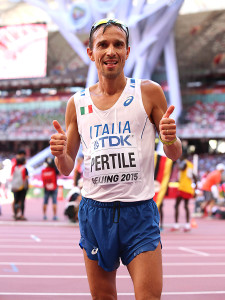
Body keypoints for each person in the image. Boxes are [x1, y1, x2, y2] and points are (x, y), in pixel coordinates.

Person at [50, 18, 182, 300]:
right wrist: (60, 154)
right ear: (91, 53)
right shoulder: (77, 103)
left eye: (118, 44)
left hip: (139, 212)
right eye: (103, 44)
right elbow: (65, 167)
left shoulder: (148, 92)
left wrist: (170, 138)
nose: (110, 51)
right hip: (95, 211)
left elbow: (174, 153)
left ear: (127, 51)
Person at [171, 154, 196, 232]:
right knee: (186, 206)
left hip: (183, 188)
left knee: (176, 206)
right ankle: (187, 225)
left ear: (183, 157)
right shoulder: (190, 164)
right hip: (188, 188)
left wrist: (177, 162)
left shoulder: (184, 163)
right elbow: (195, 176)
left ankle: (176, 225)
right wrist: (196, 188)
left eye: (180, 157)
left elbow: (181, 167)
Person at [11, 155, 29, 220]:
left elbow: (12, 176)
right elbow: (26, 178)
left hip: (15, 187)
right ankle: (22, 215)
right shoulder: (24, 168)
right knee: (22, 201)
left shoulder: (15, 168)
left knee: (16, 200)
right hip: (22, 187)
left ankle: (15, 214)